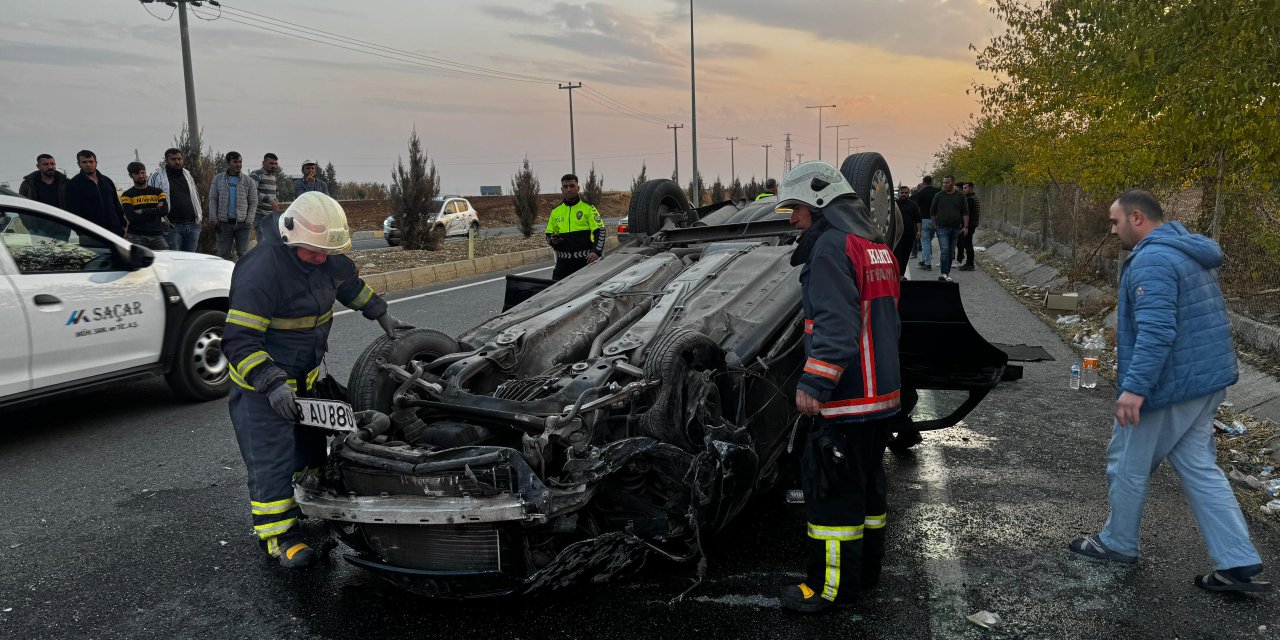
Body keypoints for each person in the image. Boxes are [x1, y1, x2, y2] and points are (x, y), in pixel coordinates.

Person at [1069, 189, 1270, 593]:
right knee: (1199, 467)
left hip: (1172, 384)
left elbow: (1157, 331)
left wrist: (1134, 389)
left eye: (1115, 221)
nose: (1112, 229)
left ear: (1137, 217)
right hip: (1206, 380)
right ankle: (1238, 560)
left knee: (1126, 460)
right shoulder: (1187, 250)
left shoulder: (1154, 260)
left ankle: (1117, 543)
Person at [223, 192, 413, 568]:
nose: (321, 258)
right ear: (291, 236)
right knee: (271, 459)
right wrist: (271, 383)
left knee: (308, 453)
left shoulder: (325, 256)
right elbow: (239, 341)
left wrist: (381, 314)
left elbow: (350, 286)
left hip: (303, 381)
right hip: (261, 389)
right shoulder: (260, 271)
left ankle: (306, 501)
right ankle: (278, 536)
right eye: (314, 252)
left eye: (327, 252)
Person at [772, 162, 902, 613]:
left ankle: (828, 589)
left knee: (832, 500)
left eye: (797, 208)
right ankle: (865, 575)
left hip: (848, 398)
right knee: (867, 491)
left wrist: (815, 383)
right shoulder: (875, 244)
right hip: (881, 396)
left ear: (820, 202)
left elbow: (836, 324)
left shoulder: (830, 247)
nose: (792, 218)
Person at [545, 173, 605, 281]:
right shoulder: (556, 211)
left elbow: (600, 231)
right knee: (555, 293)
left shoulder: (588, 208)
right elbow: (548, 234)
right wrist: (552, 240)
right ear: (562, 189)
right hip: (563, 264)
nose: (569, 189)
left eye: (572, 186)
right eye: (565, 186)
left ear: (578, 188)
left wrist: (596, 251)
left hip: (585, 262)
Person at [149, 148, 203, 252]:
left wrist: (199, 217)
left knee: (190, 260)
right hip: (172, 226)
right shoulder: (157, 176)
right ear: (166, 161)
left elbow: (195, 195)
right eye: (173, 159)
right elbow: (152, 201)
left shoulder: (187, 174)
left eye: (179, 159)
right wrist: (162, 220)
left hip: (192, 225)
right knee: (174, 260)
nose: (177, 162)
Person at [209, 151, 258, 261]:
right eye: (235, 162)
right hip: (223, 224)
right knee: (223, 255)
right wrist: (214, 218)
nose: (238, 164)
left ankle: (243, 277)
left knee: (244, 255)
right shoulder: (218, 179)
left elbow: (253, 202)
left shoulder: (248, 181)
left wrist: (249, 220)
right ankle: (225, 277)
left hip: (242, 224)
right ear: (228, 163)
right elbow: (213, 199)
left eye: (240, 162)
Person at [63, 150, 126, 236]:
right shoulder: (74, 184)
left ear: (96, 162)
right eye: (84, 162)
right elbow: (72, 210)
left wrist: (123, 225)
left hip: (115, 230)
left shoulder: (106, 181)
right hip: (91, 233)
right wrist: (81, 231)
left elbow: (116, 204)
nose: (88, 165)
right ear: (79, 164)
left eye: (91, 161)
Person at [119, 161, 170, 250]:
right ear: (131, 175)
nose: (141, 176)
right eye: (137, 173)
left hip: (157, 236)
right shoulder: (127, 195)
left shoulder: (158, 192)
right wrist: (155, 211)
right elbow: (132, 217)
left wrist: (142, 211)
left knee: (165, 260)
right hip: (136, 236)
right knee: (139, 263)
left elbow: (164, 210)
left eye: (143, 172)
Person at [927, 175, 968, 282]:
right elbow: (932, 212)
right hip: (942, 228)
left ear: (953, 183)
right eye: (943, 182)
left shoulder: (960, 196)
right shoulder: (938, 195)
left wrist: (965, 227)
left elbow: (965, 212)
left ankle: (947, 272)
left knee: (950, 252)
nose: (944, 184)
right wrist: (935, 225)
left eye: (947, 182)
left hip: (955, 228)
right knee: (945, 250)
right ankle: (944, 274)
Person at [250, 153, 283, 244]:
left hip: (271, 216)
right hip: (260, 215)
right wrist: (270, 200)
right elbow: (252, 192)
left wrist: (276, 201)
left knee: (272, 243)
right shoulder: (256, 174)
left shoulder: (273, 177)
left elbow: (275, 192)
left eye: (276, 164)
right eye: (271, 163)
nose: (274, 166)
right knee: (262, 244)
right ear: (263, 162)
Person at [910, 176, 940, 270]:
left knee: (925, 242)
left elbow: (916, 207)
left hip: (924, 220)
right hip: (937, 220)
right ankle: (923, 260)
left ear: (923, 182)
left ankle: (927, 263)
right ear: (932, 181)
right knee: (928, 240)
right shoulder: (938, 191)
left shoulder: (920, 193)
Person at [893, 185, 921, 279]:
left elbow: (918, 219)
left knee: (905, 256)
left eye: (906, 193)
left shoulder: (913, 205)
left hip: (909, 234)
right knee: (897, 255)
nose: (904, 194)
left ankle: (901, 275)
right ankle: (896, 275)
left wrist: (919, 231)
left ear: (909, 193)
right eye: (902, 193)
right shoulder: (894, 204)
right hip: (896, 235)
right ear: (899, 193)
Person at [956, 182, 980, 271]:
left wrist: (964, 226)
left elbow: (966, 214)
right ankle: (969, 263)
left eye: (965, 188)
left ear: (970, 188)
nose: (964, 190)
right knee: (967, 244)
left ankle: (970, 264)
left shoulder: (970, 199)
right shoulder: (973, 197)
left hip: (969, 225)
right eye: (963, 188)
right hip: (971, 224)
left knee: (968, 245)